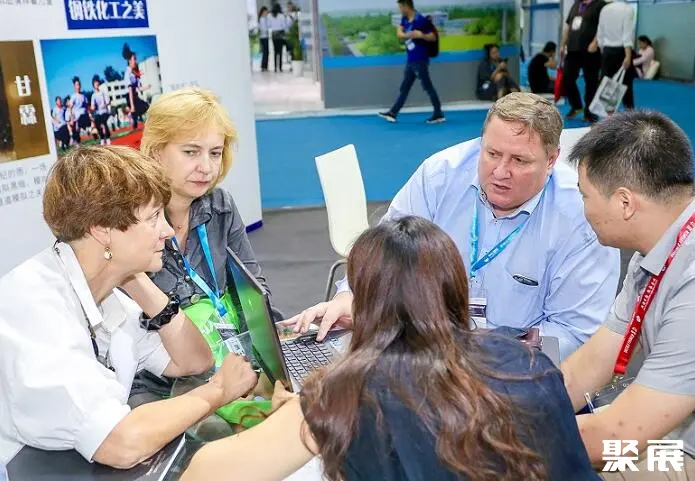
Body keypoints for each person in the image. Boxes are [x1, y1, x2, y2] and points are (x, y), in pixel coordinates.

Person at [180, 216, 600, 481]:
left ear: (365, 300)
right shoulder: (527, 362)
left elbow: (204, 474)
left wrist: (301, 415)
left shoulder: (341, 394)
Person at [286, 93, 620, 361]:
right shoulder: (440, 175)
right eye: (492, 153)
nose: (500, 172)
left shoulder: (581, 215)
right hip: (426, 354)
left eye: (519, 161)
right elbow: (385, 254)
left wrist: (480, 357)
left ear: (551, 159)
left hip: (518, 370)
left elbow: (575, 334)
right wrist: (351, 295)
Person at [0, 145, 257, 467]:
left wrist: (136, 279)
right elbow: (120, 444)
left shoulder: (105, 292)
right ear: (101, 229)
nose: (167, 231)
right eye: (153, 217)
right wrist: (219, 390)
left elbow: (193, 361)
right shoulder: (34, 308)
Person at [562, 110, 695, 476]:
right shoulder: (655, 249)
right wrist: (511, 410)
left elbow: (615, 437)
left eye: (584, 195)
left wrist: (490, 434)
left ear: (624, 203)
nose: (583, 208)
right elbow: (589, 367)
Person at [131, 87, 275, 404]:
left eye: (215, 153)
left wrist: (268, 353)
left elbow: (252, 288)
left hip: (228, 358)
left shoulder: (220, 206)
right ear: (156, 152)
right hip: (159, 379)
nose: (206, 167)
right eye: (191, 152)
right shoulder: (129, 219)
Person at [377, 0, 445, 125]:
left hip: (420, 60)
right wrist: (408, 34)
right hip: (411, 60)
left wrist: (421, 35)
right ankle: (393, 113)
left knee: (427, 86)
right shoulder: (405, 19)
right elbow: (399, 34)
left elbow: (433, 37)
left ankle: (438, 113)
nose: (399, 10)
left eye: (400, 7)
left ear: (406, 6)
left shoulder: (421, 20)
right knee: (405, 87)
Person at [560, 0, 606, 123]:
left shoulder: (600, 4)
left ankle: (590, 111)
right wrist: (563, 44)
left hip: (591, 49)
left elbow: (603, 26)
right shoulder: (576, 4)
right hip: (572, 48)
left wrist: (595, 41)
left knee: (591, 82)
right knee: (567, 78)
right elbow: (568, 26)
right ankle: (576, 106)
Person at [596, 0, 636, 109]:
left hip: (607, 51)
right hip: (622, 51)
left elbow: (600, 33)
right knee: (626, 85)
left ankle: (606, 113)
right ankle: (629, 112)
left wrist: (603, 51)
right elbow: (627, 35)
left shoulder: (605, 9)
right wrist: (628, 56)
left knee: (606, 85)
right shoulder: (628, 9)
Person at [90, 75, 112, 145]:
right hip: (98, 113)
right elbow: (92, 106)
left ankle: (108, 139)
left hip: (105, 112)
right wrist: (93, 108)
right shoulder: (93, 95)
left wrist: (105, 105)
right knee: (97, 122)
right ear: (93, 85)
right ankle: (102, 138)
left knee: (104, 122)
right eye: (95, 83)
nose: (96, 84)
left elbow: (108, 101)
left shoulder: (103, 93)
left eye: (97, 82)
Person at [268, 3, 287, 72]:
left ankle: (275, 68)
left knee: (275, 51)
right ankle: (280, 67)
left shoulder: (269, 15)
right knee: (280, 51)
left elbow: (269, 25)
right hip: (280, 34)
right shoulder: (281, 16)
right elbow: (284, 26)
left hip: (273, 34)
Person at [258, 6, 270, 72]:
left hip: (264, 37)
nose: (267, 13)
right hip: (264, 37)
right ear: (263, 12)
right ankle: (264, 66)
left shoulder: (263, 19)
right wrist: (268, 30)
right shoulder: (262, 19)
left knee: (266, 52)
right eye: (266, 12)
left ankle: (265, 66)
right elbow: (264, 29)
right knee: (265, 52)